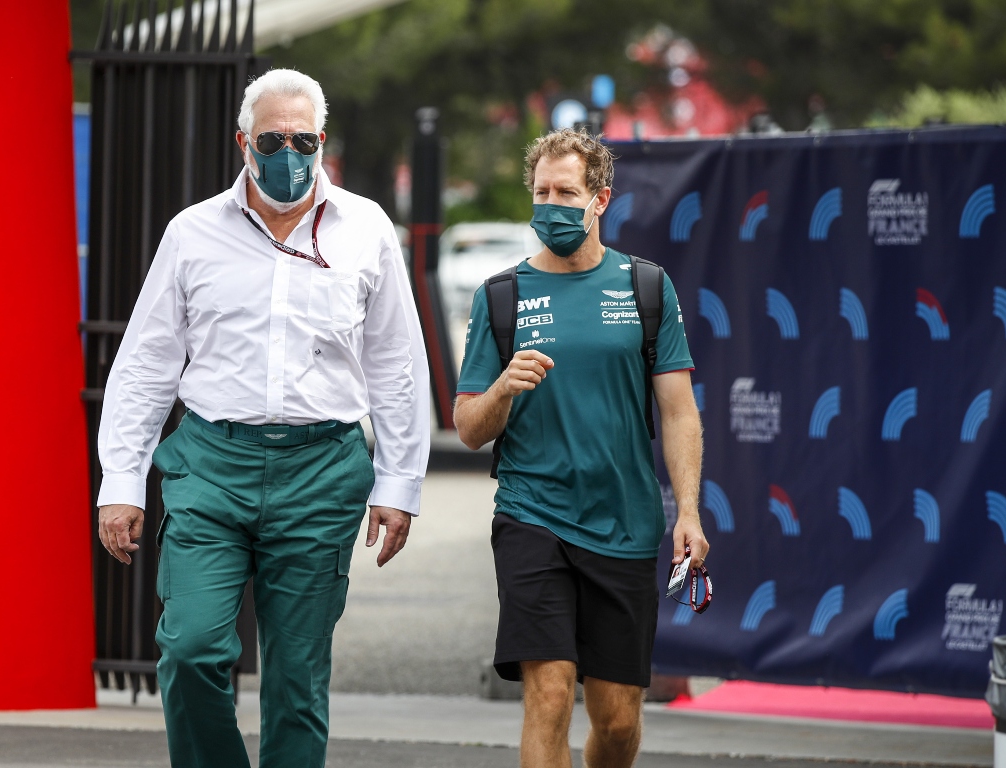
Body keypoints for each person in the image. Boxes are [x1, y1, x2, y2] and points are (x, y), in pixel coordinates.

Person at [94, 68, 429, 768]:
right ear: (242, 142)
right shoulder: (193, 234)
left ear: (322, 141)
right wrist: (121, 479)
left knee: (296, 679)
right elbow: (147, 363)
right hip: (212, 465)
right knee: (190, 649)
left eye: (302, 139)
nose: (289, 153)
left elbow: (396, 362)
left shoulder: (366, 229)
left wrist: (400, 484)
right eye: (273, 139)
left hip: (322, 467)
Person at [454, 128, 708, 768]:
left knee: (618, 720)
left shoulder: (646, 287)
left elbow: (679, 413)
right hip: (531, 514)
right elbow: (468, 425)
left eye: (566, 192)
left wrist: (688, 512)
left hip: (623, 523)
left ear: (601, 199)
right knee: (548, 690)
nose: (551, 205)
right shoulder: (501, 297)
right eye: (541, 192)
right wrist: (504, 389)